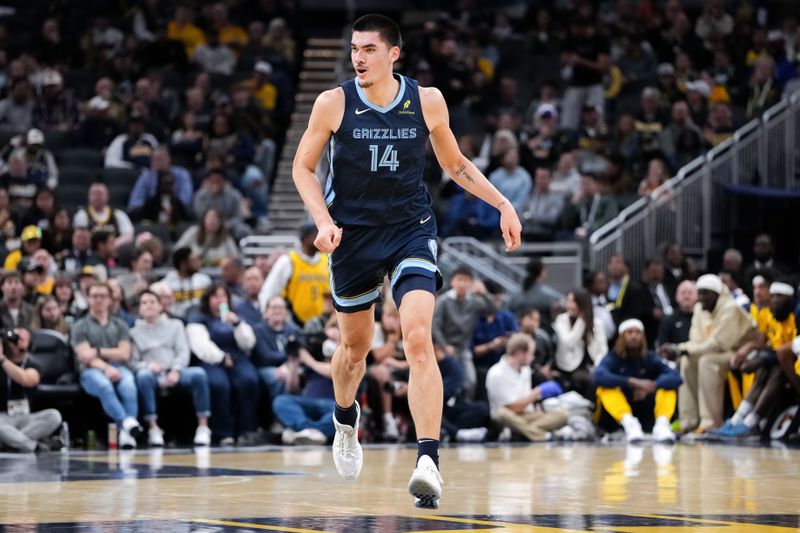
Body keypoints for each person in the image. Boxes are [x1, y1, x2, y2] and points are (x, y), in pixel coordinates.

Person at [291, 14, 521, 508]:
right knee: (356, 350)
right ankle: (345, 419)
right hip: (351, 237)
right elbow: (303, 166)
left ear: (394, 53)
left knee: (418, 339)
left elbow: (455, 164)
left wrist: (502, 203)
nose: (358, 58)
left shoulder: (426, 100)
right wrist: (323, 221)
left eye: (369, 49)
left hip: (410, 230)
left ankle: (428, 461)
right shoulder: (333, 102)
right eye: (355, 49)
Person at [659, 274, 755, 433]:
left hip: (739, 352)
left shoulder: (730, 308)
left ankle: (710, 423)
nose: (701, 297)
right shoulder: (699, 309)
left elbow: (719, 344)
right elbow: (695, 341)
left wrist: (681, 349)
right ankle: (688, 421)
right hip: (714, 352)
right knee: (687, 361)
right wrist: (680, 350)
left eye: (706, 293)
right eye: (700, 293)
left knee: (707, 362)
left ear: (717, 294)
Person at [130, 290, 212, 447]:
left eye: (152, 302)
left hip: (175, 370)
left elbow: (183, 352)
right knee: (142, 376)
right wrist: (147, 365)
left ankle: (203, 426)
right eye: (144, 303)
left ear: (161, 306)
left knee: (199, 374)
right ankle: (153, 428)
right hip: (152, 373)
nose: (148, 306)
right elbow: (133, 362)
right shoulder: (134, 332)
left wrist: (176, 370)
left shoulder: (176, 325)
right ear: (139, 309)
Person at [71, 281, 143, 448]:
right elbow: (84, 356)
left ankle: (126, 434)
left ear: (110, 299)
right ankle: (128, 424)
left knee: (129, 385)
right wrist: (106, 366)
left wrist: (97, 351)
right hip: (90, 370)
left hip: (118, 367)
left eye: (102, 296)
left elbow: (124, 353)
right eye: (94, 296)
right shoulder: (79, 326)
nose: (98, 300)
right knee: (104, 386)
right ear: (87, 299)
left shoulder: (120, 324)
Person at [185, 284, 259, 447]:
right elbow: (200, 345)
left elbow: (248, 344)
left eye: (223, 296)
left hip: (236, 356)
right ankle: (222, 432)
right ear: (208, 299)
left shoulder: (235, 317)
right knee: (219, 385)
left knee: (249, 380)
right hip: (211, 359)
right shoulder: (199, 319)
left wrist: (237, 324)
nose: (220, 300)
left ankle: (246, 430)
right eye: (215, 296)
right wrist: (220, 358)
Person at [594, 319, 682, 444]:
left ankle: (662, 424)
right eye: (629, 332)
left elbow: (675, 377)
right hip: (618, 416)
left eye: (637, 332)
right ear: (622, 337)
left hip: (645, 409)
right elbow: (598, 376)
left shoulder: (650, 357)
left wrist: (652, 386)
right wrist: (631, 382)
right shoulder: (613, 357)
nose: (634, 336)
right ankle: (629, 424)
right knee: (604, 388)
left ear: (643, 336)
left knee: (668, 387)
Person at [485, 333, 568, 442]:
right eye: (531, 354)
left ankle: (523, 433)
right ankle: (541, 435)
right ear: (520, 353)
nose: (533, 358)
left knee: (563, 414)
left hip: (525, 416)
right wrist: (537, 392)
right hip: (506, 418)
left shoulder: (526, 370)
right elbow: (512, 408)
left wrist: (537, 410)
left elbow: (525, 401)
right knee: (502, 414)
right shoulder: (496, 373)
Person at [0, 327, 63, 452]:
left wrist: (2, 359)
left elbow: (27, 380)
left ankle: (9, 442)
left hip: (26, 417)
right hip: (3, 417)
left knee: (54, 416)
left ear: (29, 343)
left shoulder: (33, 364)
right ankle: (33, 446)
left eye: (21, 338)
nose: (14, 341)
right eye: (13, 337)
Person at [259, 222, 329, 326]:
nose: (321, 238)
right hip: (292, 324)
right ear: (304, 238)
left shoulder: (326, 260)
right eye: (316, 235)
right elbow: (268, 291)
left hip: (322, 324)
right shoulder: (288, 261)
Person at [552, 288, 608, 400]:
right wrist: (582, 321)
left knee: (602, 380)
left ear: (582, 303)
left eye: (573, 302)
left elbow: (603, 350)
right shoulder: (561, 320)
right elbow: (568, 343)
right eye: (568, 301)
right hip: (569, 367)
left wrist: (597, 366)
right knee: (589, 382)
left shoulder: (597, 323)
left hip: (592, 367)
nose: (569, 305)